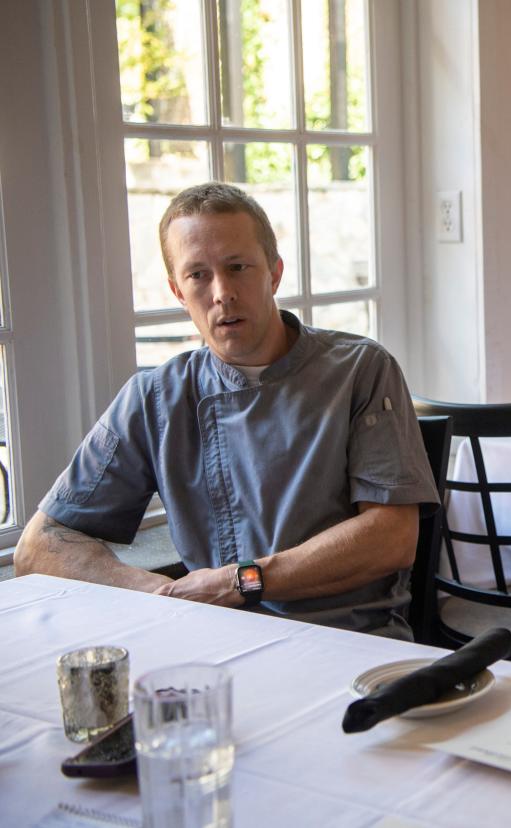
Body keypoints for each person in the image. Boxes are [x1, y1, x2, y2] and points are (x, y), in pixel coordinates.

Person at [15, 183, 438, 641]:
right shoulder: (155, 396)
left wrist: (239, 581)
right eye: (198, 275)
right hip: (218, 642)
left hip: (352, 640)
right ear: (178, 291)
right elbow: (38, 548)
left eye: (238, 267)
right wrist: (162, 595)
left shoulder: (361, 369)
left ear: (274, 274)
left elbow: (392, 537)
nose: (222, 293)